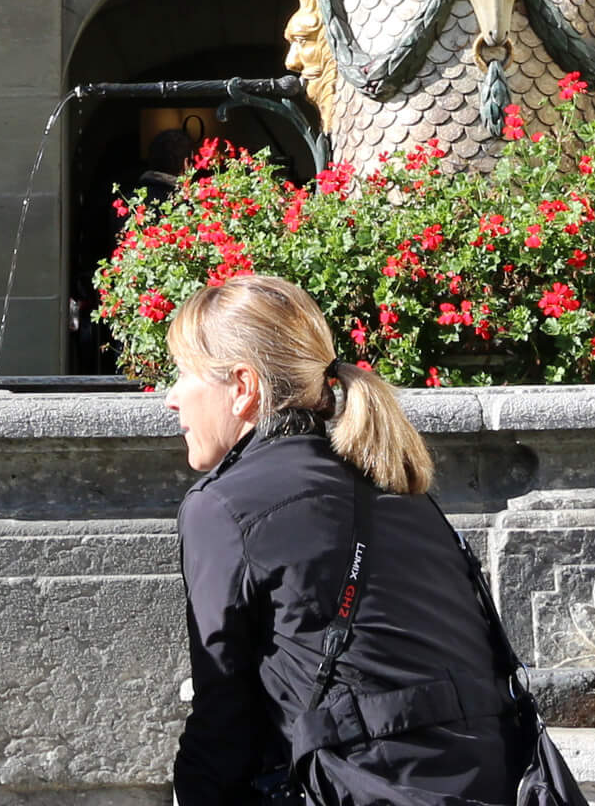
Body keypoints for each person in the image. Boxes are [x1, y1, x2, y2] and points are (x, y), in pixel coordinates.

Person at [165, 275, 521, 806]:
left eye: (183, 373)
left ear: (243, 387)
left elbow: (225, 719)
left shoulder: (224, 505)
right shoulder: (399, 486)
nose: (171, 398)